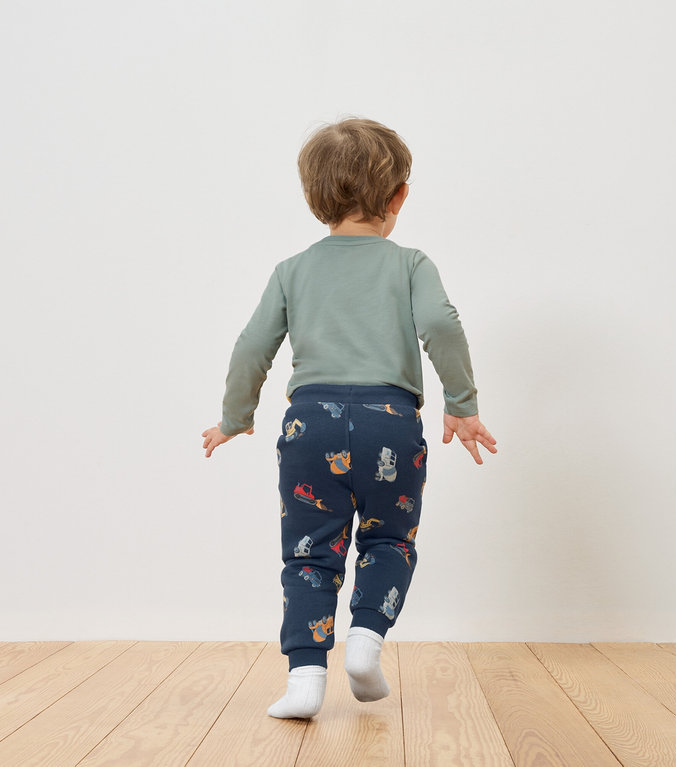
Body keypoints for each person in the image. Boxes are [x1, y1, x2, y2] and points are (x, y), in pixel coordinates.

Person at [201, 118, 497, 719]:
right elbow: (441, 325)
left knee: (310, 553)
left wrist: (235, 416)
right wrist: (461, 405)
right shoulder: (410, 264)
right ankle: (364, 643)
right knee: (388, 539)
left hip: (310, 424)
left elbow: (252, 345)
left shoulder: (292, 270)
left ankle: (305, 680)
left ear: (315, 198)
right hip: (391, 419)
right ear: (399, 197)